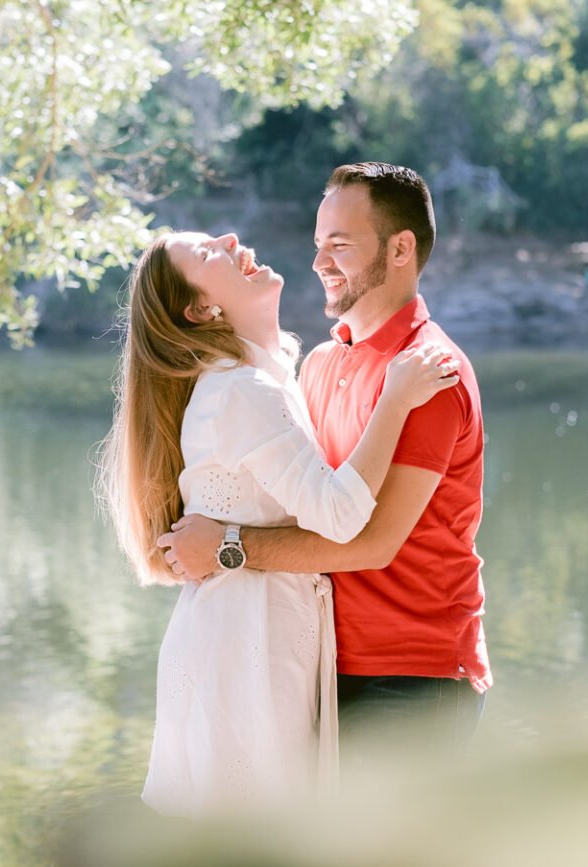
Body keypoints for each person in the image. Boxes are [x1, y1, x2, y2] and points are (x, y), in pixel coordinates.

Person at [99, 227, 460, 817]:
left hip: (257, 631)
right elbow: (340, 514)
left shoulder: (268, 376)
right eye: (208, 251)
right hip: (248, 643)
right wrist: (395, 399)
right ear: (201, 309)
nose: (232, 237)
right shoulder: (242, 391)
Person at [158, 163, 492, 755]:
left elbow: (372, 544)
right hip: (319, 663)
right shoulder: (318, 366)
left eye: (339, 244)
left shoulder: (430, 374)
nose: (319, 262)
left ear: (400, 249)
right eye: (318, 244)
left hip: (412, 677)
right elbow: (304, 504)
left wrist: (225, 548)